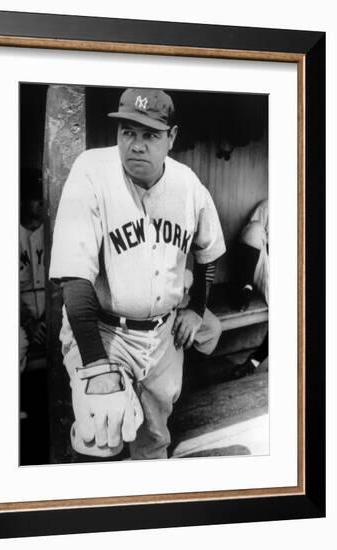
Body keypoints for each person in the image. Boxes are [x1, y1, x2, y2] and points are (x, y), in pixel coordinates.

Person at [49, 88, 226, 460]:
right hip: (103, 328)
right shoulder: (91, 171)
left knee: (153, 441)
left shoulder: (188, 184)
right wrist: (97, 366)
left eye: (150, 134)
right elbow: (74, 278)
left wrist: (196, 310)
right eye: (128, 132)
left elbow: (208, 252)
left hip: (162, 336)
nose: (137, 145)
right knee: (101, 432)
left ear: (171, 137)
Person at [231, 199, 268, 378]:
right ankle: (245, 288)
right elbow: (249, 235)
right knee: (254, 229)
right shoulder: (269, 205)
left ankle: (254, 361)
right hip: (263, 264)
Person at [19, 169, 46, 371]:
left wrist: (47, 321)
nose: (40, 201)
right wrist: (29, 323)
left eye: (41, 195)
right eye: (33, 197)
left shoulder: (53, 231)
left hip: (50, 317)